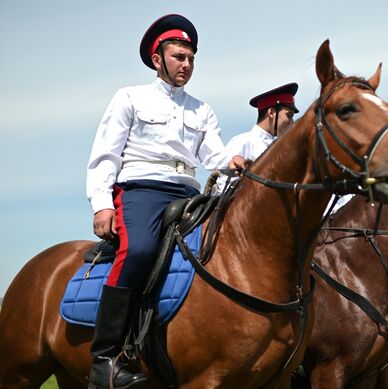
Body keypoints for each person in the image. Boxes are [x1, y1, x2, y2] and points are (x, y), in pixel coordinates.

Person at [86, 14, 242, 388]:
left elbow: (214, 154)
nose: (186, 65)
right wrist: (102, 203)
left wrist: (235, 161)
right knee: (139, 249)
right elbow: (105, 154)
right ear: (158, 59)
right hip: (142, 190)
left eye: (190, 58)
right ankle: (105, 360)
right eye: (178, 57)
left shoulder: (202, 109)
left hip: (189, 192)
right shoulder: (129, 97)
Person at [216, 82, 299, 190]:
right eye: (289, 116)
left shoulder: (279, 148)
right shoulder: (243, 140)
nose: (292, 123)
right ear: (271, 112)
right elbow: (222, 185)